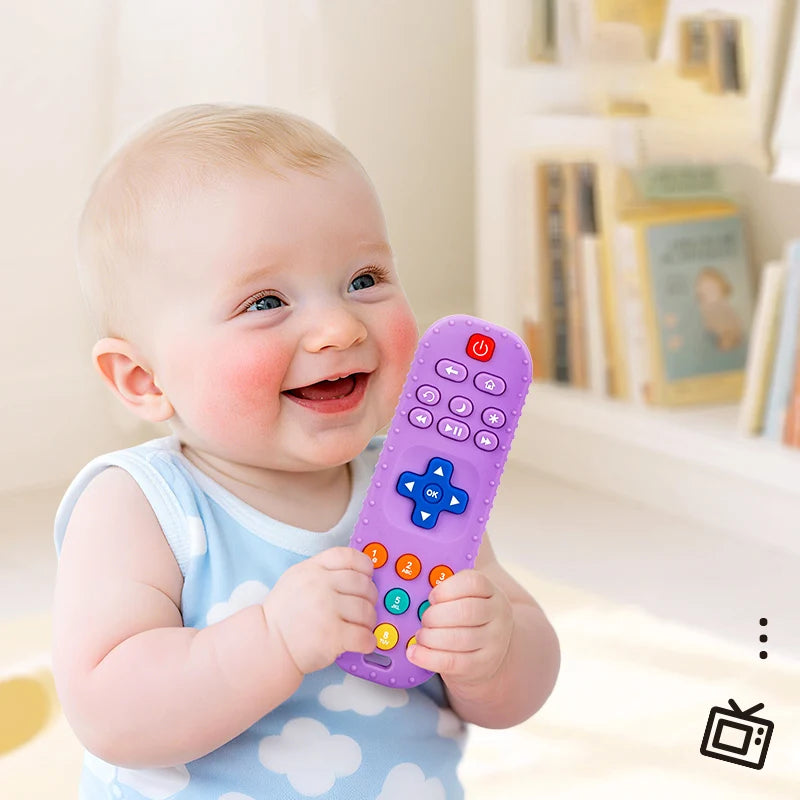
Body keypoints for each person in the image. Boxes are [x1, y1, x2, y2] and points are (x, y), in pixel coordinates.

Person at [52, 103, 560, 799]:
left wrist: (492, 652)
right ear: (144, 380)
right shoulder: (139, 506)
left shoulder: (416, 484)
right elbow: (108, 711)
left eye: (364, 280)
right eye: (265, 302)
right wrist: (272, 640)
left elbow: (515, 692)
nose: (335, 327)